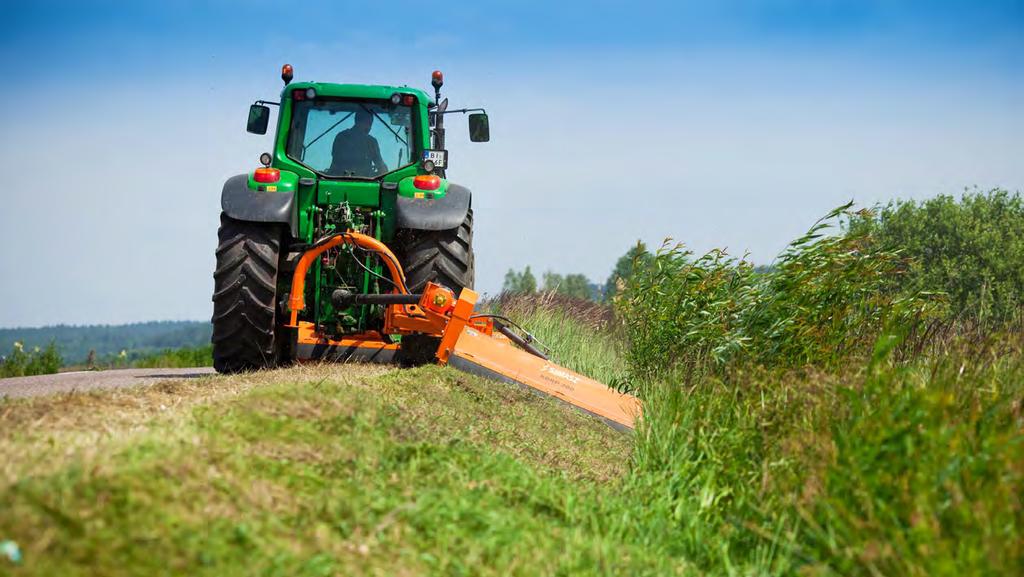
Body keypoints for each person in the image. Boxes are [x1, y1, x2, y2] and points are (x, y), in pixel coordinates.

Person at [329, 109, 388, 177]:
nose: (369, 127)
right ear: (357, 121)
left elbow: (380, 165)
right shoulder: (343, 138)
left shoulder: (371, 142)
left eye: (370, 124)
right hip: (342, 180)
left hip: (364, 183)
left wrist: (384, 173)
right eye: (366, 123)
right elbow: (336, 162)